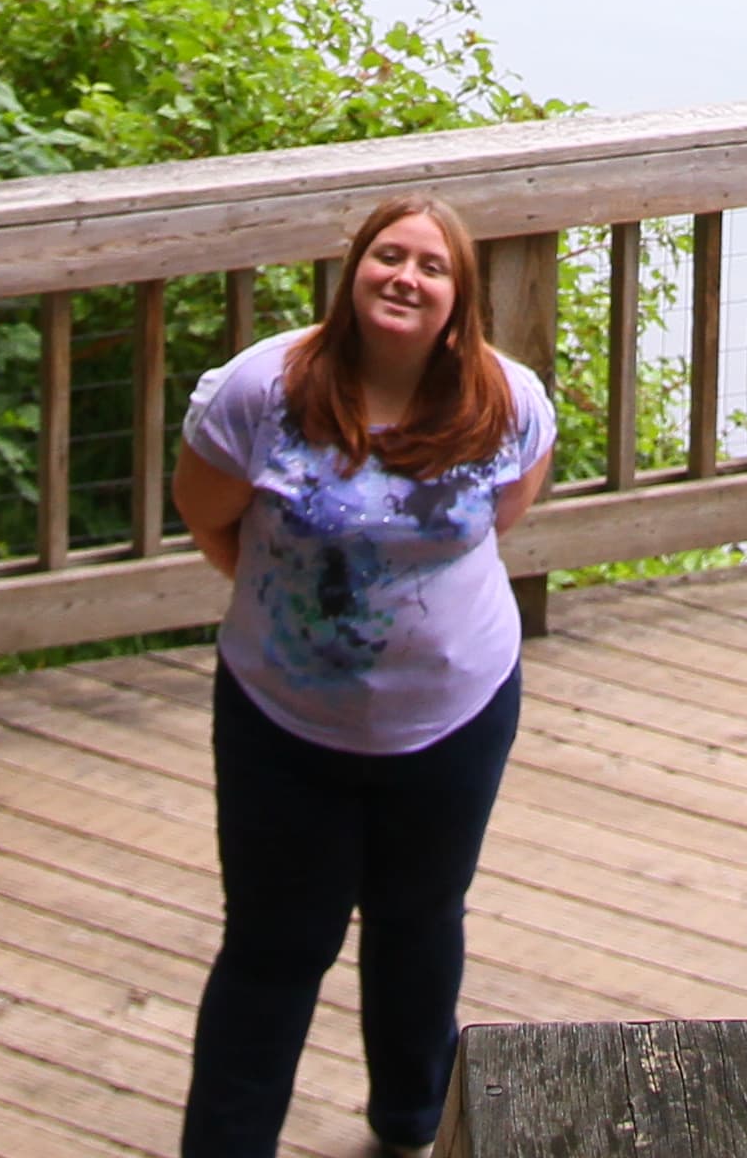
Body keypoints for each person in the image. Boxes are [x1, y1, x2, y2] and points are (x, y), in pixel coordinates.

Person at [169, 194, 557, 1158]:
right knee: (273, 943)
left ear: (459, 303)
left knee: (420, 921)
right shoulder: (260, 393)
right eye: (390, 256)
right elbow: (209, 518)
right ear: (353, 274)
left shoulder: (506, 400)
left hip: (455, 715)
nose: (406, 278)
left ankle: (410, 1124)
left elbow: (498, 524)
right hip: (281, 721)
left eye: (433, 268)